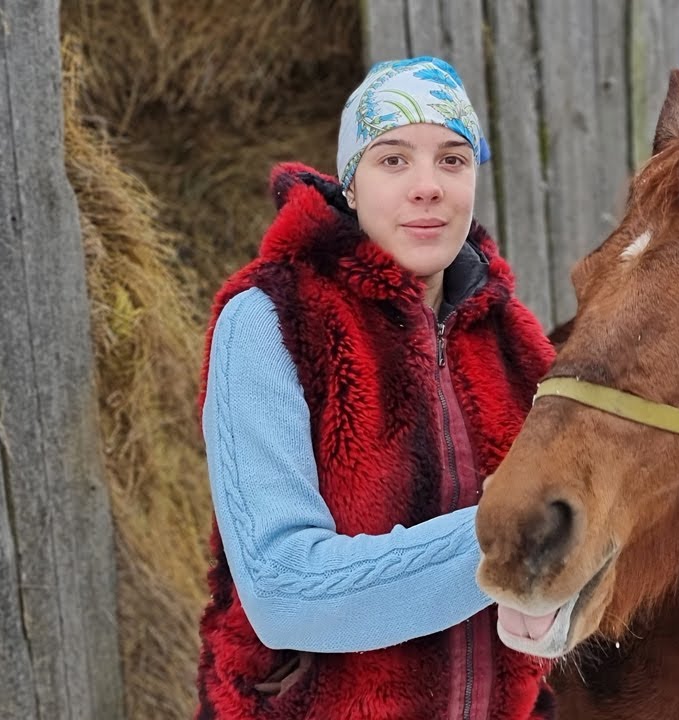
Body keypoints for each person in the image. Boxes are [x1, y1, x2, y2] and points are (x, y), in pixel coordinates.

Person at [194, 56, 556, 720]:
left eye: (452, 160)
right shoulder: (274, 318)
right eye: (393, 160)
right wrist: (513, 533)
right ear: (351, 183)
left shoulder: (514, 341)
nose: (428, 187)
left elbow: (573, 551)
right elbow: (283, 591)